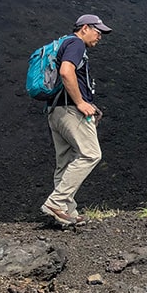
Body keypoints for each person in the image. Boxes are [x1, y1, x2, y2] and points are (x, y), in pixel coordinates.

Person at [40, 14, 111, 226]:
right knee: (91, 154)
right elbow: (66, 71)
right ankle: (57, 202)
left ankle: (66, 213)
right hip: (71, 110)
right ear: (85, 28)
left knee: (65, 160)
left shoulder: (62, 44)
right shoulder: (76, 44)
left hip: (55, 110)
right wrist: (81, 102)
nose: (100, 36)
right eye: (98, 32)